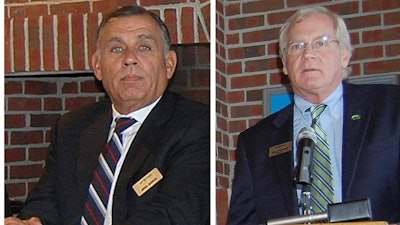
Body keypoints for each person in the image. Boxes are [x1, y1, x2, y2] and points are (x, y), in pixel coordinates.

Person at [5, 5, 210, 225]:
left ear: (169, 64)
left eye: (144, 47)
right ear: (98, 67)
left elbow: (173, 214)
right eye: (116, 49)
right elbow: (45, 202)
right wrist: (32, 222)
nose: (129, 59)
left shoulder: (195, 126)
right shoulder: (71, 127)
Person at [227, 6, 400, 225]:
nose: (308, 54)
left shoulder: (390, 108)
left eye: (321, 42)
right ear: (285, 65)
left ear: (344, 56)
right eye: (296, 46)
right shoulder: (255, 142)